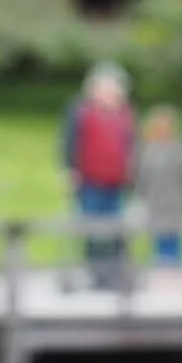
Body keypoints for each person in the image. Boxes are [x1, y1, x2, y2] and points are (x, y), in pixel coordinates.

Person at [61, 62, 136, 287]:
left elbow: (133, 146)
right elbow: (69, 142)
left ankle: (116, 274)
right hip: (90, 180)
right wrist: (69, 169)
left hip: (117, 182)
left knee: (118, 230)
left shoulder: (125, 115)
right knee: (92, 228)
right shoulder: (81, 112)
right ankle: (97, 274)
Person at [134, 105, 182, 266]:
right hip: (154, 204)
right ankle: (161, 277)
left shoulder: (181, 149)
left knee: (174, 245)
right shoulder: (147, 149)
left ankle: (174, 277)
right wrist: (139, 201)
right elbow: (141, 179)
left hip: (175, 204)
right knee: (158, 245)